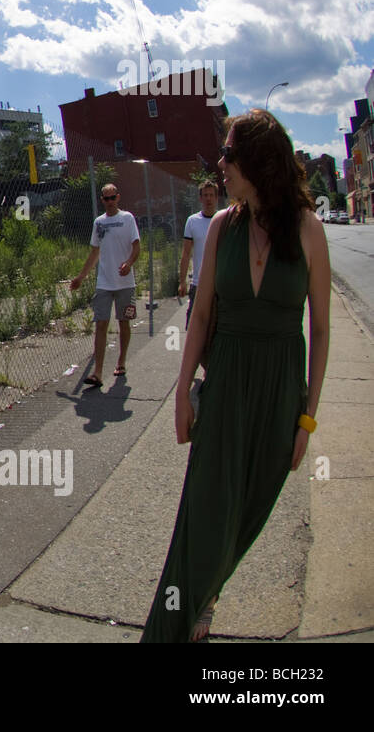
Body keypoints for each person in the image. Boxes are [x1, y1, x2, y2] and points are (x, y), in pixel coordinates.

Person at [141, 109, 330, 642]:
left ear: (257, 161)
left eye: (228, 154)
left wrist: (307, 420)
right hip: (224, 386)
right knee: (204, 513)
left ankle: (206, 595)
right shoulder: (223, 226)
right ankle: (177, 625)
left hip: (278, 395)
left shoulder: (309, 231)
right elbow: (200, 316)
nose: (220, 164)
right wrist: (182, 394)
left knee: (246, 514)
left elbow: (321, 332)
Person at [70, 183, 141, 388]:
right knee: (101, 324)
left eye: (113, 198)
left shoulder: (127, 219)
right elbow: (94, 253)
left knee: (124, 322)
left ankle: (121, 361)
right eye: (106, 199)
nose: (110, 202)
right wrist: (81, 277)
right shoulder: (99, 223)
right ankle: (98, 372)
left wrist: (129, 263)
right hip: (104, 283)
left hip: (125, 283)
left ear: (118, 198)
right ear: (102, 200)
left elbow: (136, 247)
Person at [179, 180, 222, 329]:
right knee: (194, 327)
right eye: (205, 195)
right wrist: (182, 281)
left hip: (220, 283)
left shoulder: (224, 220)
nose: (208, 198)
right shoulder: (192, 221)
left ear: (216, 198)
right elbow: (186, 253)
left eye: (211, 195)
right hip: (199, 283)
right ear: (200, 198)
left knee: (218, 328)